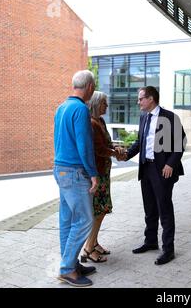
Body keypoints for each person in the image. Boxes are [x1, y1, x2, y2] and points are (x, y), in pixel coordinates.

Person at [119, 86, 186, 265]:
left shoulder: (170, 117)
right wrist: (125, 155)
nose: (138, 102)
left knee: (164, 209)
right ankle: (150, 241)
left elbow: (181, 142)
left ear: (151, 99)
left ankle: (168, 250)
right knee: (149, 208)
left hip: (162, 169)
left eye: (141, 98)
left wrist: (170, 164)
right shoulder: (143, 117)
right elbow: (139, 142)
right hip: (146, 168)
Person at [53, 70, 98, 287]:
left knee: (67, 220)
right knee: (85, 219)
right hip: (74, 172)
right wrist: (93, 173)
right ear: (89, 86)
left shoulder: (61, 108)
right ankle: (67, 269)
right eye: (94, 85)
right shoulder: (80, 109)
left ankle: (69, 262)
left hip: (60, 169)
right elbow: (84, 145)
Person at [81, 91, 124, 264]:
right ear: (96, 104)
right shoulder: (92, 123)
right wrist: (115, 153)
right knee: (98, 211)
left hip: (104, 172)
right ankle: (88, 249)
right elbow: (99, 150)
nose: (107, 105)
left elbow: (106, 144)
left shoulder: (100, 121)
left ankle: (94, 243)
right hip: (97, 174)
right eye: (104, 103)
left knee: (102, 210)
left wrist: (115, 147)